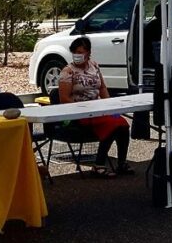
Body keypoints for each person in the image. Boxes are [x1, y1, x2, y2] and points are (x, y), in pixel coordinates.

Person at [57, 36, 133, 177]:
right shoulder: (67, 72)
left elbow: (102, 87)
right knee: (113, 125)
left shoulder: (94, 66)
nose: (78, 55)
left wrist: (109, 106)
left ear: (88, 53)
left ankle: (122, 163)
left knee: (122, 124)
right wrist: (83, 109)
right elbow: (64, 98)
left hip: (98, 110)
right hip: (79, 114)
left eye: (81, 52)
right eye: (75, 52)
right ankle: (98, 164)